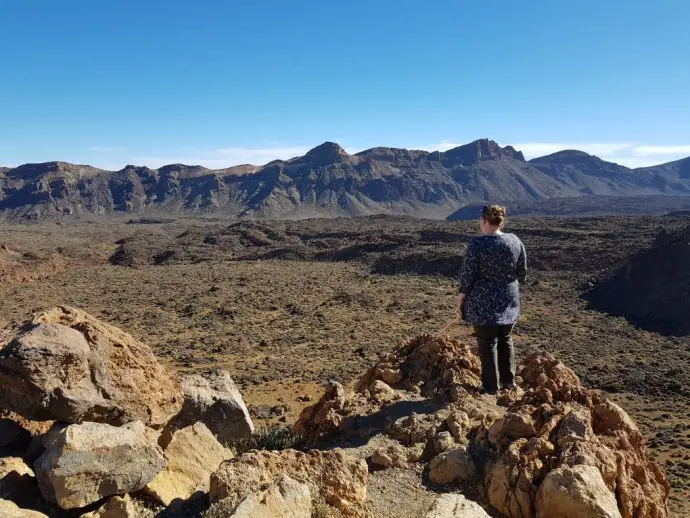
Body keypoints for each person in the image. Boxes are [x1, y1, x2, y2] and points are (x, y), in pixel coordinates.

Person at [458, 204, 527, 395]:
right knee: (505, 338)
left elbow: (468, 275)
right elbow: (522, 273)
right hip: (509, 300)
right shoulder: (514, 241)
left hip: (483, 303)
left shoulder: (477, 244)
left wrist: (462, 296)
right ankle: (508, 382)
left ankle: (490, 387)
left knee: (486, 343)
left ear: (484, 221)